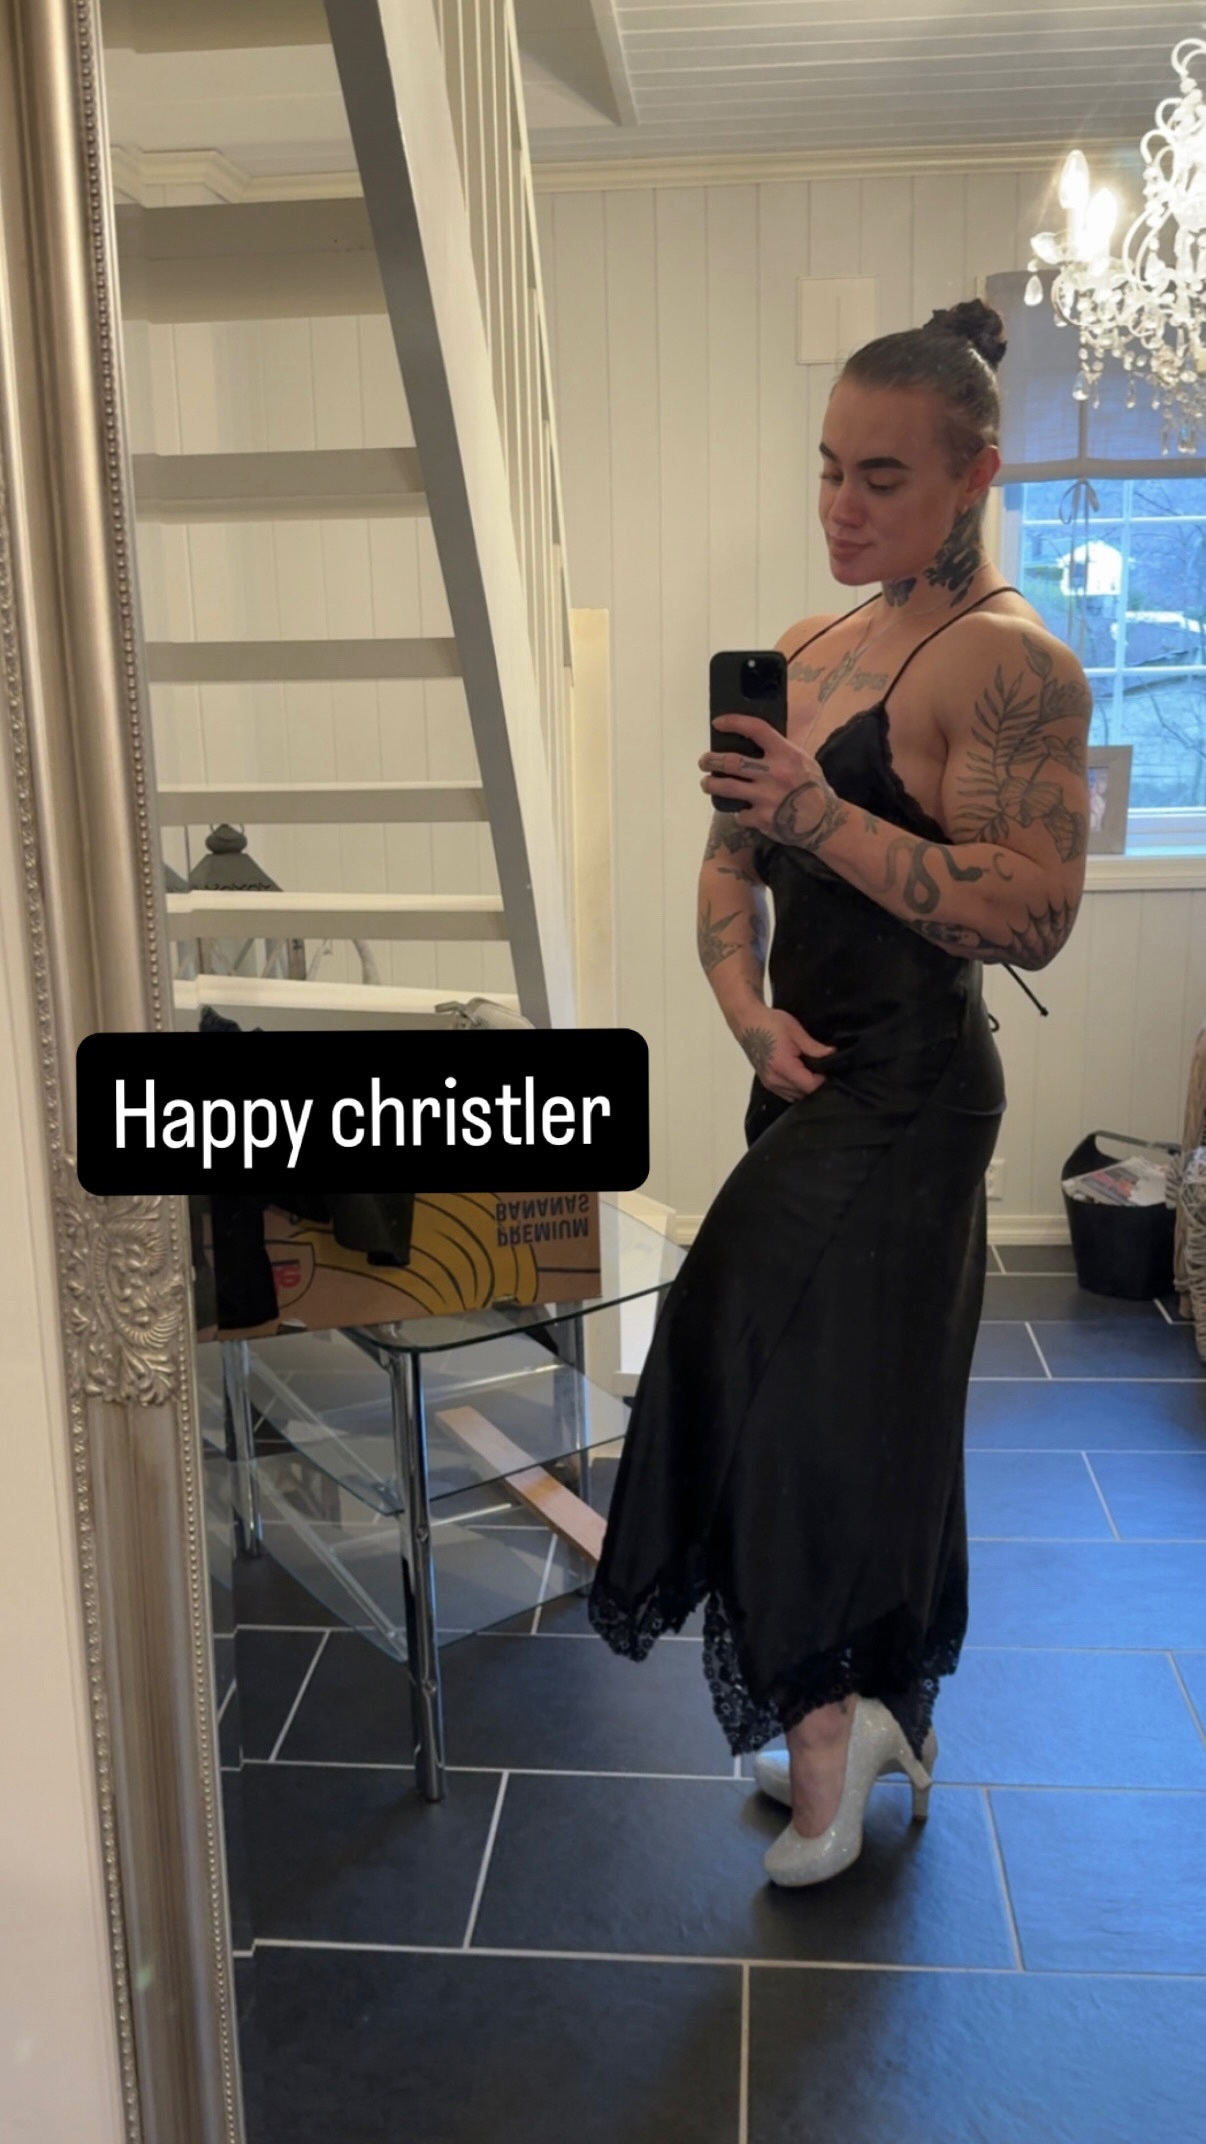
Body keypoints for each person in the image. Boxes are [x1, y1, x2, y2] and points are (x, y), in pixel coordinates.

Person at [588, 299, 1091, 1888]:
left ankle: (823, 1738)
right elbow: (726, 860)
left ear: (972, 476)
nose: (840, 506)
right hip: (805, 1084)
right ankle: (878, 1708)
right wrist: (744, 1011)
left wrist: (819, 812)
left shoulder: (1011, 666)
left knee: (773, 1383)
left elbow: (1031, 912)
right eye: (826, 469)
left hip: (916, 1092)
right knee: (865, 1407)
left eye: (881, 478)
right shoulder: (807, 649)